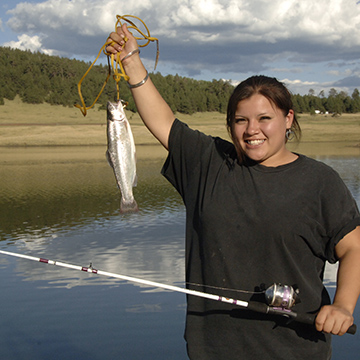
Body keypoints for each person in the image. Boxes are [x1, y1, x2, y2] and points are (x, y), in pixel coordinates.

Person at [106, 24, 360, 359]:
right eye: (241, 120)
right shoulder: (208, 163)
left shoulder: (319, 181)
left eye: (265, 118)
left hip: (295, 349)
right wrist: (132, 61)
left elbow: (353, 247)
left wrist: (342, 305)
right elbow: (163, 121)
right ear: (230, 125)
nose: (252, 130)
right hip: (212, 348)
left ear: (288, 119)